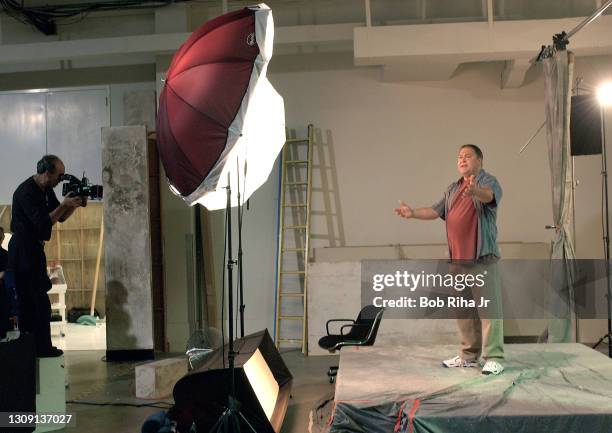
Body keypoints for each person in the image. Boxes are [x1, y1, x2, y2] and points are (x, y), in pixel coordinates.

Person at [394, 144, 504, 375]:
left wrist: (475, 192)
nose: (462, 159)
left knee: (488, 311)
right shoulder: (453, 189)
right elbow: (435, 211)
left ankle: (494, 357)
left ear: (480, 160)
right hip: (457, 261)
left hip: (481, 259)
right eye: (459, 157)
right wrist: (412, 213)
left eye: (468, 156)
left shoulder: (488, 182)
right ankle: (469, 355)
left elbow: (489, 196)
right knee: (463, 311)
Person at [8, 155, 83, 357]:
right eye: (59, 176)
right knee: (31, 302)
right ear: (47, 172)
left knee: (40, 301)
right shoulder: (26, 192)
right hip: (23, 250)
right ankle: (33, 347)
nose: (61, 180)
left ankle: (41, 347)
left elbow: (60, 217)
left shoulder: (46, 189)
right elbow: (43, 222)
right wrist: (63, 205)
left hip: (34, 249)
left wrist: (73, 205)